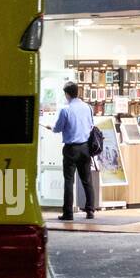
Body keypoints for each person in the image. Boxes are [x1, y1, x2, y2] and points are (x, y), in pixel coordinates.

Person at [48, 82, 96, 221]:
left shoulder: (66, 110)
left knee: (69, 180)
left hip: (71, 149)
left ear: (67, 94)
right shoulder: (88, 107)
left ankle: (68, 213)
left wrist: (51, 127)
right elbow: (91, 125)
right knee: (87, 180)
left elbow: (58, 128)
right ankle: (90, 211)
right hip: (86, 147)